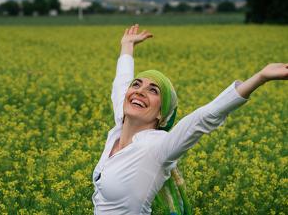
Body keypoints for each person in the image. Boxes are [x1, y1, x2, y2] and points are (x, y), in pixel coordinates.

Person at [91, 24, 288, 215]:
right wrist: (127, 45)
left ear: (161, 113)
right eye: (137, 84)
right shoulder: (119, 127)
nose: (139, 92)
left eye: (153, 90)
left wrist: (260, 77)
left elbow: (203, 118)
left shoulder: (157, 147)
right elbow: (121, 84)